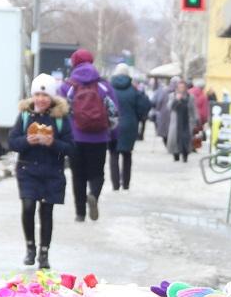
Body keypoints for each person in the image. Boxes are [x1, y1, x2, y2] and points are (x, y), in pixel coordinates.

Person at [8, 74, 74, 270]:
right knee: (28, 207)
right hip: (27, 169)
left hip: (52, 171)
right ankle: (30, 247)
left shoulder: (61, 118)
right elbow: (12, 142)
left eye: (45, 95)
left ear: (52, 97)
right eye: (37, 94)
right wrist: (27, 141)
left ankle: (44, 252)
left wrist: (52, 143)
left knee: (46, 212)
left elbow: (71, 148)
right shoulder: (26, 116)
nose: (41, 99)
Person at [57, 48, 118, 222]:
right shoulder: (103, 86)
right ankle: (94, 195)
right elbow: (114, 113)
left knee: (78, 175)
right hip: (99, 138)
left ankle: (80, 213)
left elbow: (60, 114)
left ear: (74, 63)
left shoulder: (67, 87)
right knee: (97, 173)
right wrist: (112, 135)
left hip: (75, 138)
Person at [109, 63, 151, 191]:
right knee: (127, 155)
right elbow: (144, 106)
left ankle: (115, 185)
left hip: (113, 125)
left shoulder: (110, 89)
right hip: (129, 126)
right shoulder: (134, 90)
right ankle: (126, 184)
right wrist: (138, 117)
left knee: (113, 155)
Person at [166, 80, 200, 162]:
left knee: (186, 139)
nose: (181, 89)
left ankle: (185, 155)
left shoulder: (190, 97)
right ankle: (176, 154)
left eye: (183, 87)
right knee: (175, 139)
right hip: (176, 122)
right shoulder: (172, 96)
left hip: (186, 122)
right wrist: (176, 100)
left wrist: (196, 119)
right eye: (180, 87)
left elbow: (193, 109)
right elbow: (169, 107)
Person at [155, 77, 180, 146]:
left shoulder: (164, 90)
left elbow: (159, 101)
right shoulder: (179, 92)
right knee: (173, 131)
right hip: (174, 114)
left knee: (165, 131)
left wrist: (158, 109)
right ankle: (172, 145)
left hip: (164, 113)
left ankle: (167, 144)